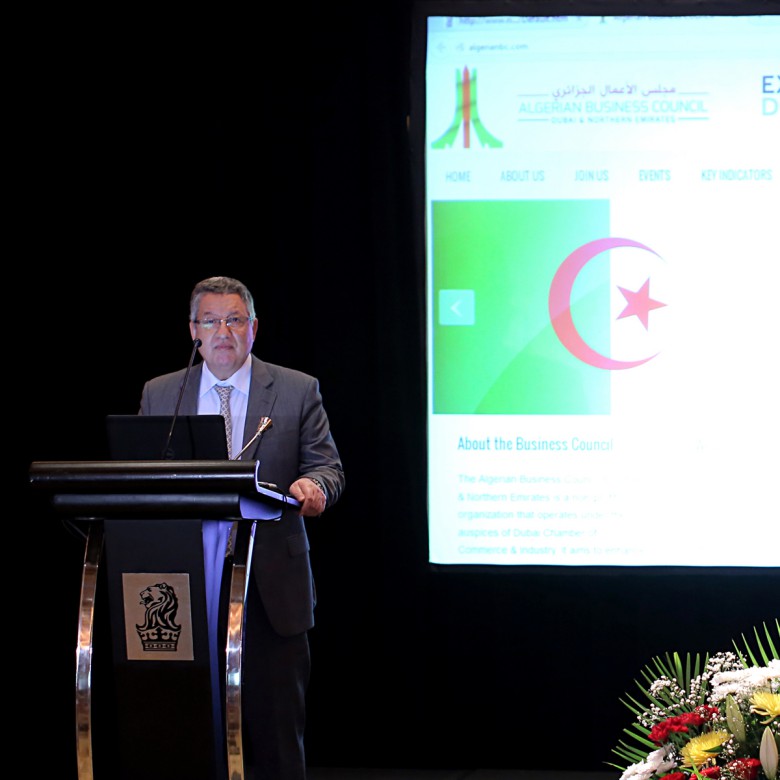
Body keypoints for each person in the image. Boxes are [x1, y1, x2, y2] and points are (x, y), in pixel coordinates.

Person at [138, 275, 345, 780]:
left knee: (277, 739)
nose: (223, 332)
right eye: (210, 321)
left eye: (234, 320)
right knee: (185, 731)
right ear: (193, 331)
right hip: (184, 585)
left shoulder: (296, 389)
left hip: (271, 583)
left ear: (254, 327)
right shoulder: (161, 393)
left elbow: (327, 467)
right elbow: (140, 477)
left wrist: (314, 487)